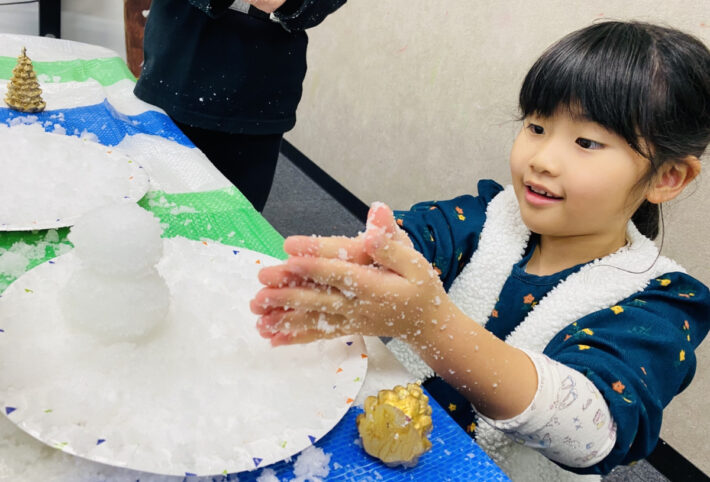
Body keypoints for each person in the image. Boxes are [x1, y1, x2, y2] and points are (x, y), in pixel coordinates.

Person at [249, 21, 710, 480]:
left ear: (668, 177)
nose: (542, 159)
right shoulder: (489, 216)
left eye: (586, 142)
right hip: (391, 440)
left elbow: (593, 432)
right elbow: (424, 235)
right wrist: (377, 257)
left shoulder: (661, 302)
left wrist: (429, 323)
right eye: (536, 126)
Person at [133, 0, 346, 211]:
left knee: (238, 220)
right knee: (153, 211)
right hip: (179, 67)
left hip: (261, 94)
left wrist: (294, 4)